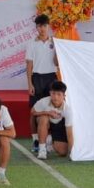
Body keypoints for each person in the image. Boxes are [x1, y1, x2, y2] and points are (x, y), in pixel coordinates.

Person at [25, 14, 59, 155]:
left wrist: (57, 50)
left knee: (51, 108)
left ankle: (48, 139)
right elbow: (29, 65)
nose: (42, 29)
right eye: (39, 26)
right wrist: (30, 84)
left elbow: (57, 63)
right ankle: (35, 139)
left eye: (45, 26)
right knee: (34, 111)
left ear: (48, 26)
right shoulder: (31, 43)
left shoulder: (55, 42)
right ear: (36, 28)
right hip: (37, 78)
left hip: (52, 77)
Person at [30, 81, 75, 160]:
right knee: (44, 117)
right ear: (50, 93)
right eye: (53, 93)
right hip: (46, 123)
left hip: (59, 126)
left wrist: (72, 153)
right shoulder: (43, 101)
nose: (55, 97)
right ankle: (42, 149)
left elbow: (69, 133)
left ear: (64, 96)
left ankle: (48, 141)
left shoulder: (68, 109)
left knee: (63, 152)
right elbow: (32, 112)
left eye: (59, 94)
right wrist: (47, 112)